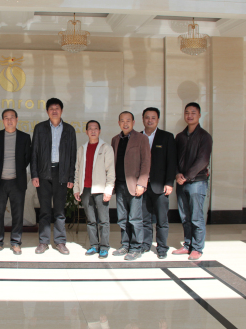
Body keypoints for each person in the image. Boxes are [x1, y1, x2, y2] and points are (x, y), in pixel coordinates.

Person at [31, 98, 77, 255]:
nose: (54, 111)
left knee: (59, 210)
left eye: (57, 108)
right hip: (44, 173)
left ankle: (60, 241)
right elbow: (34, 153)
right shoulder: (40, 128)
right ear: (47, 111)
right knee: (44, 210)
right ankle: (43, 242)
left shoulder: (69, 130)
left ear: (61, 111)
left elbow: (72, 155)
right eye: (51, 108)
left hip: (61, 173)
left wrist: (71, 177)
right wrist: (34, 174)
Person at [0, 109, 32, 255]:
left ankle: (16, 242)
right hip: (0, 181)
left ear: (17, 119)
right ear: (3, 121)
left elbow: (27, 158)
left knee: (17, 213)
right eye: (6, 118)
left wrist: (17, 170)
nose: (9, 120)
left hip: (17, 181)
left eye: (12, 117)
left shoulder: (25, 137)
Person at [173, 102, 213, 261]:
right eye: (187, 112)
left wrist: (186, 176)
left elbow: (203, 160)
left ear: (199, 115)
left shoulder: (205, 136)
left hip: (197, 182)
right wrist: (177, 174)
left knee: (196, 217)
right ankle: (187, 244)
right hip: (181, 182)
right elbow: (174, 158)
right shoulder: (180, 137)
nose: (189, 115)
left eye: (193, 113)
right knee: (185, 216)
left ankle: (197, 248)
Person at [111, 111, 151, 261]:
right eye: (122, 120)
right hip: (120, 185)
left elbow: (146, 162)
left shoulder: (141, 138)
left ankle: (136, 248)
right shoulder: (115, 139)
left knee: (135, 218)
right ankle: (125, 245)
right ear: (118, 123)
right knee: (122, 218)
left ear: (134, 122)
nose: (125, 123)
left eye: (128, 120)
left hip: (135, 185)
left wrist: (142, 183)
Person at [73, 120, 115, 259]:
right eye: (90, 128)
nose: (93, 131)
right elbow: (77, 170)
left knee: (103, 220)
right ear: (86, 132)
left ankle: (104, 247)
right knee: (90, 220)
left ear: (99, 131)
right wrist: (76, 188)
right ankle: (94, 245)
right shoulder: (82, 149)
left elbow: (110, 171)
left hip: (101, 189)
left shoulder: (106, 148)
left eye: (95, 128)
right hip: (85, 189)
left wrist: (108, 190)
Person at [140, 107, 177, 259]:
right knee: (145, 218)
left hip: (160, 186)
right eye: (147, 117)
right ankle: (145, 244)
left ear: (158, 120)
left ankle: (162, 247)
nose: (150, 120)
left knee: (162, 219)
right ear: (143, 119)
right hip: (142, 186)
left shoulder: (166, 137)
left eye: (153, 118)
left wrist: (169, 183)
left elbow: (171, 162)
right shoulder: (137, 137)